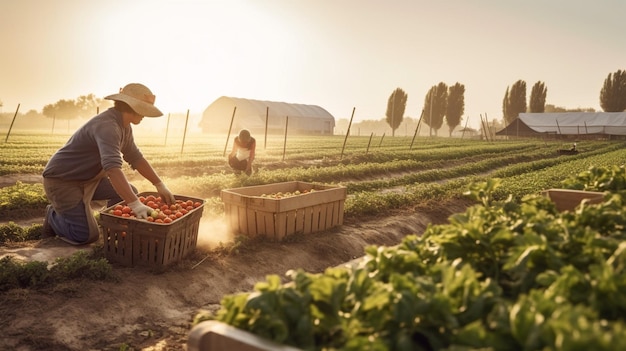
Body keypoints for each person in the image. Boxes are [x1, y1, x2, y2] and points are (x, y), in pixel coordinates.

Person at [41, 83, 176, 245]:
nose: (145, 115)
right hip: (63, 182)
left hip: (88, 178)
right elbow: (112, 169)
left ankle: (112, 226)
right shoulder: (107, 126)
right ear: (131, 106)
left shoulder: (124, 127)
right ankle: (53, 216)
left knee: (130, 192)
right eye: (144, 109)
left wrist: (159, 184)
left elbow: (135, 157)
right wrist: (135, 205)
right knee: (85, 235)